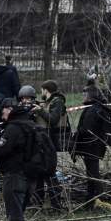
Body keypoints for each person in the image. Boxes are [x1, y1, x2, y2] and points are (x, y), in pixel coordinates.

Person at [72, 88, 111, 208]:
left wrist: (76, 135)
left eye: (84, 94)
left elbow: (86, 130)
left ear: (90, 96)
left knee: (93, 173)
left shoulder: (92, 110)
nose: (83, 96)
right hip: (95, 145)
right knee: (91, 173)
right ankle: (90, 200)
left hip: (91, 146)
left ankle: (101, 201)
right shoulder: (97, 108)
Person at [39, 81, 69, 209]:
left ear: (46, 90)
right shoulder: (50, 102)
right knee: (45, 171)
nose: (41, 93)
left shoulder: (57, 102)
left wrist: (40, 111)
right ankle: (49, 202)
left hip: (52, 142)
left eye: (42, 90)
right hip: (46, 142)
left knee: (50, 172)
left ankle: (56, 202)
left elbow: (53, 119)